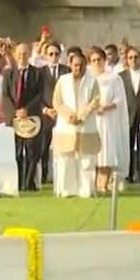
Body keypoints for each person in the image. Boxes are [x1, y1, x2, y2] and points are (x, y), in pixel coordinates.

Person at [52, 52, 101, 198]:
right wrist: (69, 116)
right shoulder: (63, 80)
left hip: (86, 126)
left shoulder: (92, 81)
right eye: (75, 65)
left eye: (81, 65)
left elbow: (96, 100)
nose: (78, 68)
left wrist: (81, 116)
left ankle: (86, 190)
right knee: (66, 159)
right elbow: (57, 101)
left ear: (86, 65)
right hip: (66, 126)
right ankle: (66, 190)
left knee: (87, 160)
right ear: (70, 65)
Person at [2, 43, 44, 192]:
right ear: (14, 55)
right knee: (16, 152)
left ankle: (29, 183)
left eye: (25, 54)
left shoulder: (38, 73)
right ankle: (18, 183)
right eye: (19, 54)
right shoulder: (8, 74)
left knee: (32, 152)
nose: (22, 56)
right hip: (14, 118)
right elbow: (5, 96)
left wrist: (27, 110)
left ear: (29, 55)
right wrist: (15, 112)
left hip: (31, 118)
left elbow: (40, 95)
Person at [88, 46, 129, 192]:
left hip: (107, 121)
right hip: (92, 121)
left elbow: (119, 100)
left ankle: (103, 184)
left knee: (106, 153)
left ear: (104, 60)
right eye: (93, 60)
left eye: (99, 59)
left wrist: (105, 107)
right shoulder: (87, 79)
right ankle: (94, 184)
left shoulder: (113, 78)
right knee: (93, 154)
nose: (97, 62)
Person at [39, 42, 70, 184]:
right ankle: (45, 175)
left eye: (56, 54)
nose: (53, 57)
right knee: (44, 146)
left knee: (64, 145)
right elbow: (37, 94)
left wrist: (60, 109)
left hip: (62, 114)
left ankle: (63, 175)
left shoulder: (66, 70)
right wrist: (45, 109)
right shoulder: (40, 72)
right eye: (50, 54)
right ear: (45, 56)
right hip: (45, 114)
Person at [119, 47, 140, 184]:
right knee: (127, 146)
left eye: (136, 57)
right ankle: (128, 174)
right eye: (130, 57)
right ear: (126, 60)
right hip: (127, 115)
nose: (133, 60)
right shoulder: (121, 76)